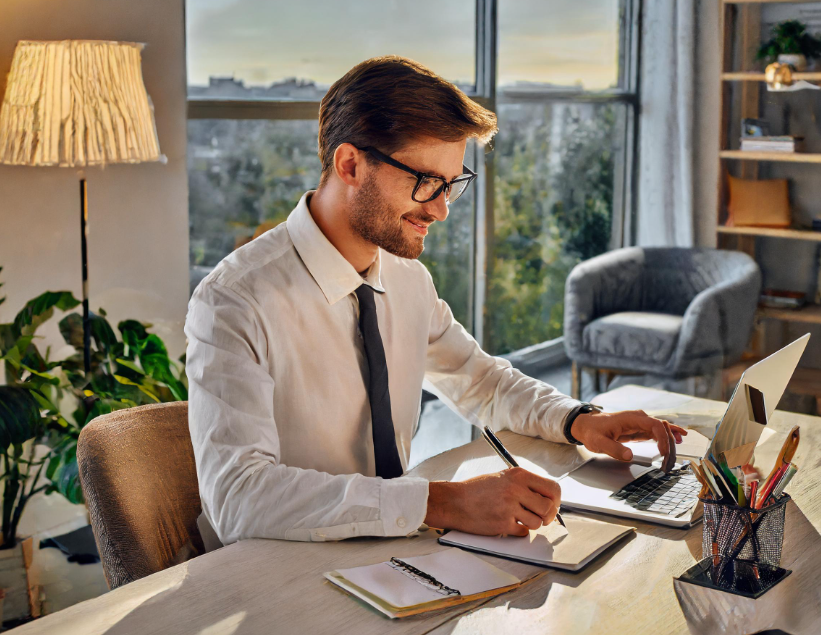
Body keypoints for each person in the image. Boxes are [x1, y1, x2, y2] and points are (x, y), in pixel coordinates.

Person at [185, 56, 686, 546]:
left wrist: (578, 419)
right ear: (351, 164)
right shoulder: (234, 301)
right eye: (425, 183)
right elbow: (237, 497)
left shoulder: (407, 280)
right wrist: (440, 503)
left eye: (451, 185)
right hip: (270, 572)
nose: (442, 210)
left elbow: (481, 381)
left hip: (389, 554)